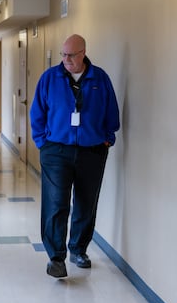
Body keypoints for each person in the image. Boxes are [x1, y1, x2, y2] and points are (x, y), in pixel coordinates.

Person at [30, 34, 120, 278]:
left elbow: (112, 112)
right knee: (56, 202)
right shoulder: (50, 78)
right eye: (63, 54)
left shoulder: (99, 79)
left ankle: (78, 249)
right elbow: (37, 113)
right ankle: (55, 257)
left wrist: (107, 139)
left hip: (92, 151)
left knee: (86, 203)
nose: (66, 59)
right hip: (56, 150)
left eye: (71, 55)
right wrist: (42, 142)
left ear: (83, 53)